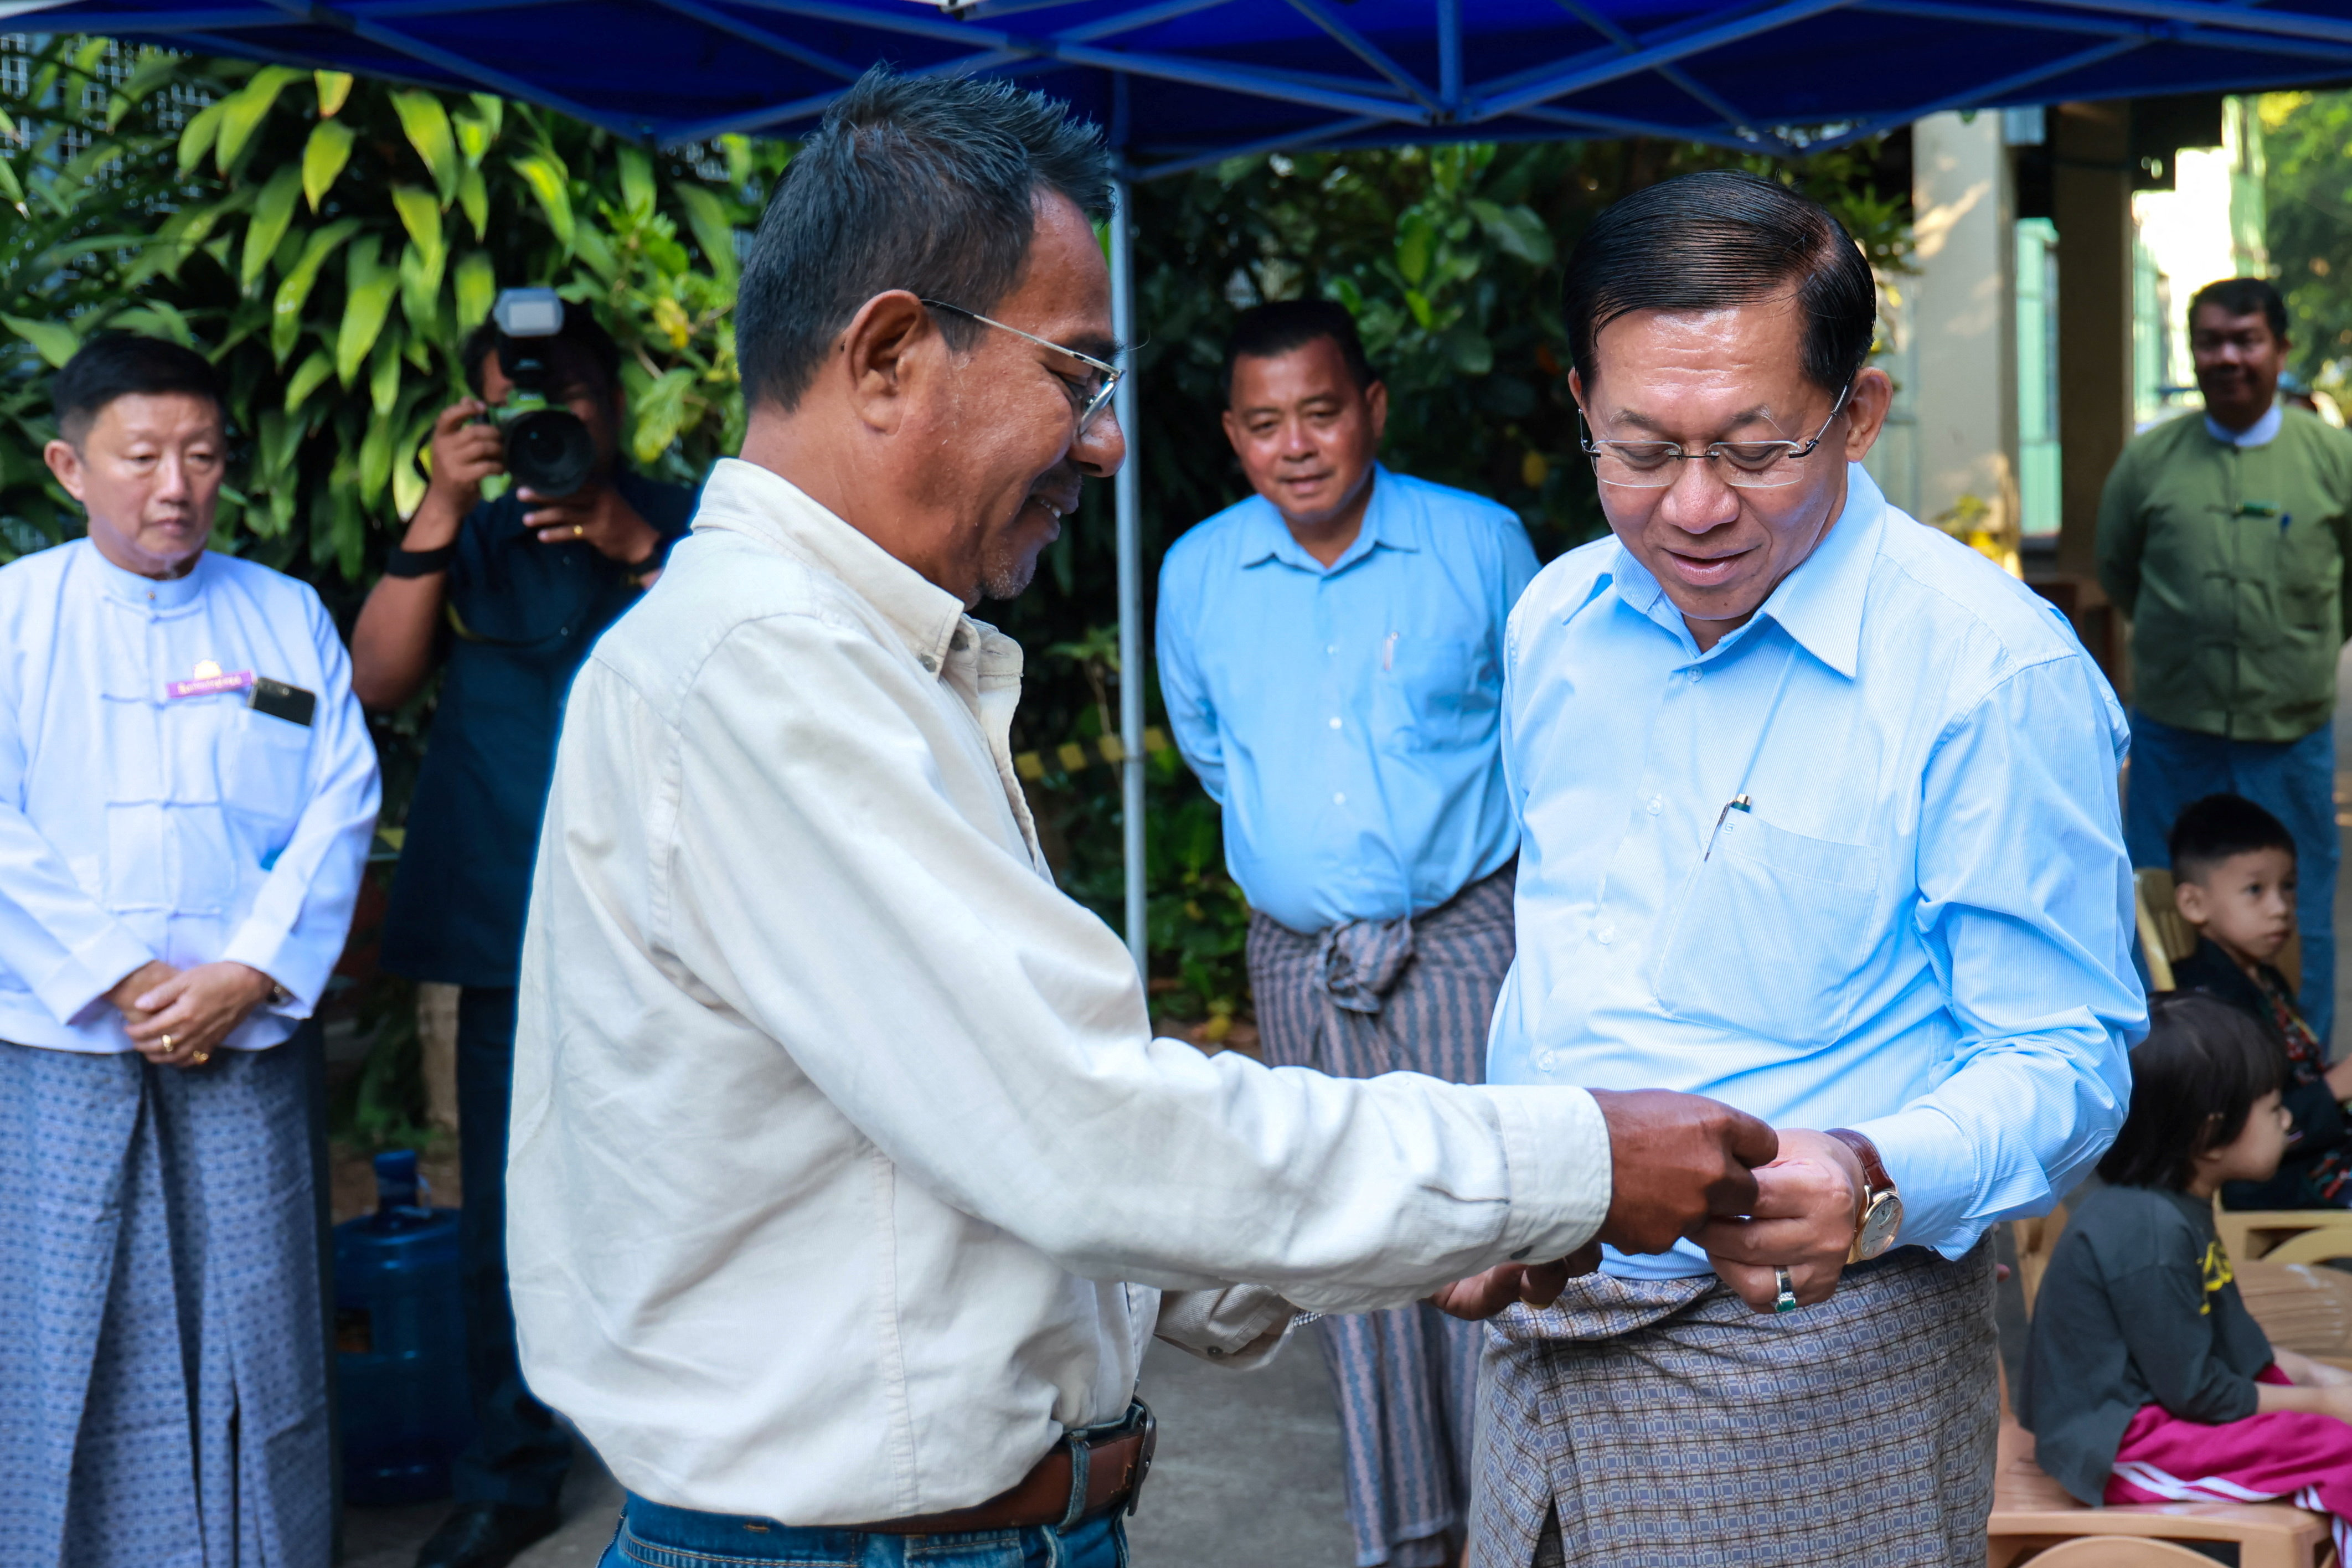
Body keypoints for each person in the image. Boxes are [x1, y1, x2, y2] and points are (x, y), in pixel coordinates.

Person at [504, 69, 1776, 1568]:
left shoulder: (849, 660)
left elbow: (983, 1155)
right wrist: (1571, 1163)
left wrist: (1434, 1229)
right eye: (1078, 375)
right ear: (895, 354)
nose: (1106, 443)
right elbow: (1080, 1131)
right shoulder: (763, 677)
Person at [1477, 170, 2144, 1567]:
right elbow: (1561, 949)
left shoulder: (1986, 673)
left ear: (1857, 412)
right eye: (1638, 448)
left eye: (1753, 446)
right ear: (1577, 408)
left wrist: (1870, 1170)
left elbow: (2065, 1056)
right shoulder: (1552, 620)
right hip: (1533, 1354)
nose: (1695, 505)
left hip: (1815, 1360)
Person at [1157, 297, 1538, 1568]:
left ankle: (1513, 1526)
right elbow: (1215, 755)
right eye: (1263, 424)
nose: (1296, 445)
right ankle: (1403, 1535)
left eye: (1319, 411)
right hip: (1302, 958)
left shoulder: (1477, 544)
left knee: (1489, 1227)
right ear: (1232, 435)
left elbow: (1543, 740)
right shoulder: (1198, 571)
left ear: (1369, 407)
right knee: (1350, 1250)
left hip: (1466, 937)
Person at [0, 333, 379, 1567]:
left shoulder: (284, 616)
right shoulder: (13, 619)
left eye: (203, 455)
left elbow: (342, 800)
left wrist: (247, 972)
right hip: (62, 1040)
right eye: (143, 455)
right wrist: (120, 976)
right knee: (66, 1335)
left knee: (259, 1329)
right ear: (70, 465)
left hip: (246, 1034)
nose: (177, 485)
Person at [349, 303, 696, 1568]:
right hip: (506, 914)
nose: (551, 423)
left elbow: (758, 655)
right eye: (516, 404)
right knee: (505, 1203)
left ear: (610, 401)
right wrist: (438, 508)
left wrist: (635, 539)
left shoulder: (689, 517)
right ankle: (510, 1467)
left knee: (699, 1174)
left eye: (570, 399)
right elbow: (374, 680)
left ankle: (699, 1443)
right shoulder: (468, 535)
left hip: (678, 921)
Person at [2099, 276, 2352, 1044]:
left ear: (2280, 350)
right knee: (2165, 902)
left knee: (2294, 905)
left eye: (2246, 340)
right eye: (2211, 341)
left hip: (2290, 732)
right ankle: (2176, 1076)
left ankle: (2299, 1081)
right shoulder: (2151, 462)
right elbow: (2119, 567)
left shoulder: (2332, 457)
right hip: (2177, 728)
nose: (2228, 357)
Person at [2020, 992, 2352, 1562]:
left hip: (2167, 1415)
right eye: (2273, 1109)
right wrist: (2327, 1404)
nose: (2289, 1119)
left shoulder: (2178, 1205)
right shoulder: (2148, 1231)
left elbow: (2239, 1347)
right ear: (2209, 1135)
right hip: (2126, 1444)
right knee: (2343, 1455)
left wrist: (2324, 1380)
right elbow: (2200, 1393)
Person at [2165, 792, 2352, 1208]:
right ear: (2194, 903)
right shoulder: (2211, 1003)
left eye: (2288, 887)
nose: (2280, 907)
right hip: (2277, 1180)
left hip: (2318, 1150)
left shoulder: (2262, 976)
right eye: (2255, 890)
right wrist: (2336, 1088)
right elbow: (2242, 1136)